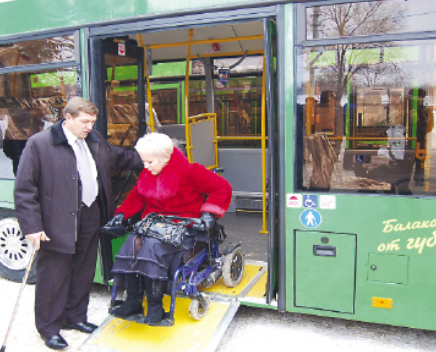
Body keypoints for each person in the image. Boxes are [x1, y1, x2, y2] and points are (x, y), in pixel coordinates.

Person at [14, 96, 143, 350]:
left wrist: (162, 156)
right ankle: (49, 329)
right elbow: (25, 189)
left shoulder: (94, 140)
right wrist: (31, 227)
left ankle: (75, 318)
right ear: (68, 117)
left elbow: (122, 158)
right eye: (85, 121)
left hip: (90, 214)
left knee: (84, 271)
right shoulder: (40, 144)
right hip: (55, 220)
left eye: (92, 122)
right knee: (53, 276)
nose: (89, 127)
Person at [105, 132, 232, 326]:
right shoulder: (149, 172)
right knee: (132, 242)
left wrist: (208, 214)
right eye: (143, 162)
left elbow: (222, 188)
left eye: (149, 162)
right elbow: (138, 196)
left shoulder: (190, 172)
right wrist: (122, 214)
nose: (145, 167)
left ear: (166, 158)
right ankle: (133, 301)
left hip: (184, 228)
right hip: (154, 225)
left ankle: (156, 306)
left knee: (152, 247)